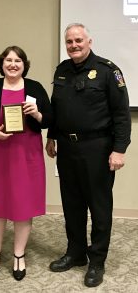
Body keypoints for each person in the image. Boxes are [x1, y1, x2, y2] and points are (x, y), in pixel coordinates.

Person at [46, 23, 131, 288]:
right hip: (67, 148)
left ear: (89, 41)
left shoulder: (108, 71)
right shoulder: (62, 69)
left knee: (99, 206)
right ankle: (76, 252)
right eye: (69, 41)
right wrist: (51, 135)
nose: (74, 45)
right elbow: (56, 106)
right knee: (72, 204)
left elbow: (121, 114)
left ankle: (97, 260)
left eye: (78, 40)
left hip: (98, 148)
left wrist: (119, 149)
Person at [0, 46, 52, 281]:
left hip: (26, 156)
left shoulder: (34, 88)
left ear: (24, 64)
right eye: (8, 60)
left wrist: (37, 114)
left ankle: (19, 255)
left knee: (23, 206)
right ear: (2, 63)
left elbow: (50, 119)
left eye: (18, 60)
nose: (13, 64)